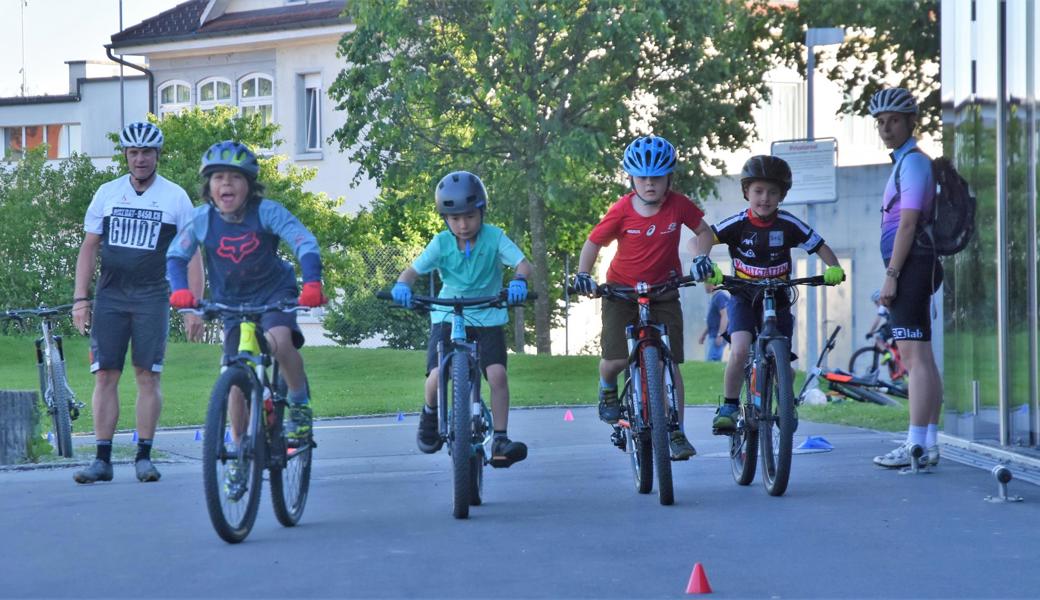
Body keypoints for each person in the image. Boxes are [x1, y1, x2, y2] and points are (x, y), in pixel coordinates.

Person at [166, 140, 326, 447]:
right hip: (231, 303)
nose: (226, 183)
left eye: (235, 177)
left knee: (279, 342)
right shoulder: (201, 219)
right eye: (218, 177)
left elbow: (304, 242)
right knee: (234, 377)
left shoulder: (267, 212)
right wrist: (181, 291)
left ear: (249, 186)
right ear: (209, 187)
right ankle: (240, 450)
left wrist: (313, 283)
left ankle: (300, 405)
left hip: (273, 294)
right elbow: (176, 256)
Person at [72, 122, 204, 484]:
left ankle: (144, 456)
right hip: (111, 296)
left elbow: (192, 253)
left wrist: (192, 306)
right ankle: (102, 459)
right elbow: (89, 247)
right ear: (126, 156)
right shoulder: (107, 193)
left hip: (151, 296)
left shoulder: (175, 197)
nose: (141, 159)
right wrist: (80, 300)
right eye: (134, 153)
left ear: (157, 156)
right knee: (105, 374)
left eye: (147, 153)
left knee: (148, 376)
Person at [571, 135, 713, 461]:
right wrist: (583, 274)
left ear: (669, 179)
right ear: (631, 178)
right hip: (621, 292)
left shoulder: (679, 205)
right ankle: (608, 388)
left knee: (670, 362)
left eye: (657, 177)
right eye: (643, 177)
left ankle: (675, 428)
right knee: (616, 359)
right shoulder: (621, 209)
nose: (650, 183)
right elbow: (593, 242)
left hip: (664, 291)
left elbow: (704, 233)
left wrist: (700, 257)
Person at [691, 155, 845, 434]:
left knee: (781, 354)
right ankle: (728, 406)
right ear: (746, 192)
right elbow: (697, 239)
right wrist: (704, 262)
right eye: (758, 191)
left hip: (778, 295)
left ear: (782, 195)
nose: (765, 198)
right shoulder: (737, 223)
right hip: (742, 295)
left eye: (773, 192)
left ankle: (786, 405)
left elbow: (819, 245)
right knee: (739, 348)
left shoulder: (788, 224)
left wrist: (834, 268)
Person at [391, 170, 531, 468]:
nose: (463, 225)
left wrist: (519, 280)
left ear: (481, 212)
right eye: (454, 219)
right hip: (447, 314)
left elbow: (522, 263)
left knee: (497, 376)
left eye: (469, 216)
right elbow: (412, 271)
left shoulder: (495, 238)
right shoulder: (441, 243)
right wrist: (403, 285)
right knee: (435, 376)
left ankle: (501, 438)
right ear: (445, 219)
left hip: (487, 314)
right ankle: (429, 415)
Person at [868, 88, 943, 468]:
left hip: (912, 265)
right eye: (880, 122)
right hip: (914, 266)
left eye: (893, 120)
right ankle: (927, 443)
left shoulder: (913, 163)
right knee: (923, 357)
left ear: (911, 121)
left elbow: (909, 223)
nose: (885, 128)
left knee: (914, 359)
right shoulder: (904, 163)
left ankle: (915, 444)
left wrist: (891, 275)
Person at [698, 283, 729, 362]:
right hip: (714, 335)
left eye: (705, 284)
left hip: (717, 335)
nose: (704, 286)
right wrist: (703, 335)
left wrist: (720, 335)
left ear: (711, 284)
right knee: (711, 361)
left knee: (712, 360)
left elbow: (725, 316)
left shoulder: (720, 296)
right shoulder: (715, 297)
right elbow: (713, 320)